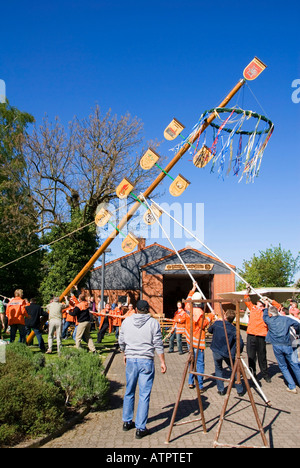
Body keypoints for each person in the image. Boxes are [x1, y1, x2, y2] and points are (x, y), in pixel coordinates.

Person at [119, 299, 167, 439]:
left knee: (129, 390)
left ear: (136, 310)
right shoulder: (153, 323)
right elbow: (158, 343)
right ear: (147, 310)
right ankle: (140, 428)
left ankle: (127, 421)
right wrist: (162, 361)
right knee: (144, 394)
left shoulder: (127, 322)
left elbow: (121, 340)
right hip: (146, 360)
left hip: (131, 360)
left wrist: (125, 353)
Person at [263, 302, 300, 393]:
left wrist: (266, 306)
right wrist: (297, 332)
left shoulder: (269, 320)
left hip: (276, 345)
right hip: (287, 345)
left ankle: (292, 386)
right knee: (294, 364)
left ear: (271, 314)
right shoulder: (286, 319)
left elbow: (264, 316)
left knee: (283, 366)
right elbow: (297, 324)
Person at [184, 282, 215, 391]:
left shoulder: (188, 307)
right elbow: (204, 323)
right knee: (200, 363)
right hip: (198, 341)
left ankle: (190, 381)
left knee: (191, 361)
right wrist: (211, 315)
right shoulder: (200, 312)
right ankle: (200, 385)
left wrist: (193, 288)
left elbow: (188, 298)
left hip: (189, 340)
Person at [208, 310, 244, 396]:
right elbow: (241, 343)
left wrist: (214, 323)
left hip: (217, 350)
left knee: (218, 369)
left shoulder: (218, 324)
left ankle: (221, 389)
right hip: (228, 352)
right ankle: (240, 390)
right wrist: (239, 351)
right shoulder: (234, 329)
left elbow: (210, 330)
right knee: (234, 370)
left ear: (225, 316)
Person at [244, 288, 271, 383]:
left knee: (262, 356)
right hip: (251, 335)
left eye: (261, 302)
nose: (259, 302)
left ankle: (265, 374)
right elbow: (246, 299)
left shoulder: (266, 311)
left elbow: (277, 307)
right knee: (251, 356)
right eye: (259, 301)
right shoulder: (253, 308)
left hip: (261, 336)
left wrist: (268, 304)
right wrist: (247, 291)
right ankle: (253, 373)